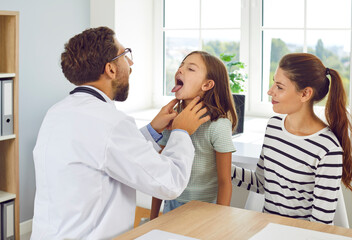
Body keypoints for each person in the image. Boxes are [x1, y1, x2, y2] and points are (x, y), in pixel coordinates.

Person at [31, 27, 210, 239]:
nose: (131, 63)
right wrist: (181, 132)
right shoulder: (110, 124)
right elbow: (169, 183)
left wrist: (153, 130)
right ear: (111, 69)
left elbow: (105, 154)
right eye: (125, 55)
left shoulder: (57, 112)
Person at [232, 53, 352, 225]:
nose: (270, 91)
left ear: (305, 94)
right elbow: (261, 183)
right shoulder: (274, 127)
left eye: (279, 87)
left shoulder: (327, 149)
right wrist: (219, 165)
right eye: (274, 82)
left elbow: (319, 226)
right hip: (267, 231)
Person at [150, 51, 238, 220]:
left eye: (190, 68)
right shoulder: (170, 119)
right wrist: (153, 217)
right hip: (172, 204)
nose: (180, 70)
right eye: (181, 65)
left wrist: (221, 221)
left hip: (206, 210)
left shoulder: (218, 126)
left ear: (207, 85)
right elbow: (161, 174)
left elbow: (225, 182)